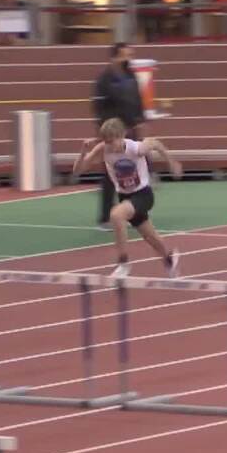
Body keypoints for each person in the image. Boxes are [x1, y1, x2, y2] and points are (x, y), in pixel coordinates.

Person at [72, 118, 182, 278]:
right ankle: (169, 259)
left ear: (122, 135)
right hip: (125, 196)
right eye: (106, 142)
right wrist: (83, 151)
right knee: (150, 237)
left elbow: (156, 143)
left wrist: (172, 163)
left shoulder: (135, 148)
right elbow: (78, 170)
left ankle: (123, 263)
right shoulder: (103, 149)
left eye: (112, 141)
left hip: (143, 194)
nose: (110, 145)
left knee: (116, 215)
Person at [91, 42, 146, 229]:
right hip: (113, 134)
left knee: (132, 170)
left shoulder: (131, 75)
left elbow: (137, 99)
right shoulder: (104, 80)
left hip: (130, 130)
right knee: (110, 173)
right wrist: (105, 132)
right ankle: (105, 217)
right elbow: (98, 108)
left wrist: (140, 119)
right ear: (114, 57)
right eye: (124, 55)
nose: (128, 59)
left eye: (129, 55)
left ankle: (131, 211)